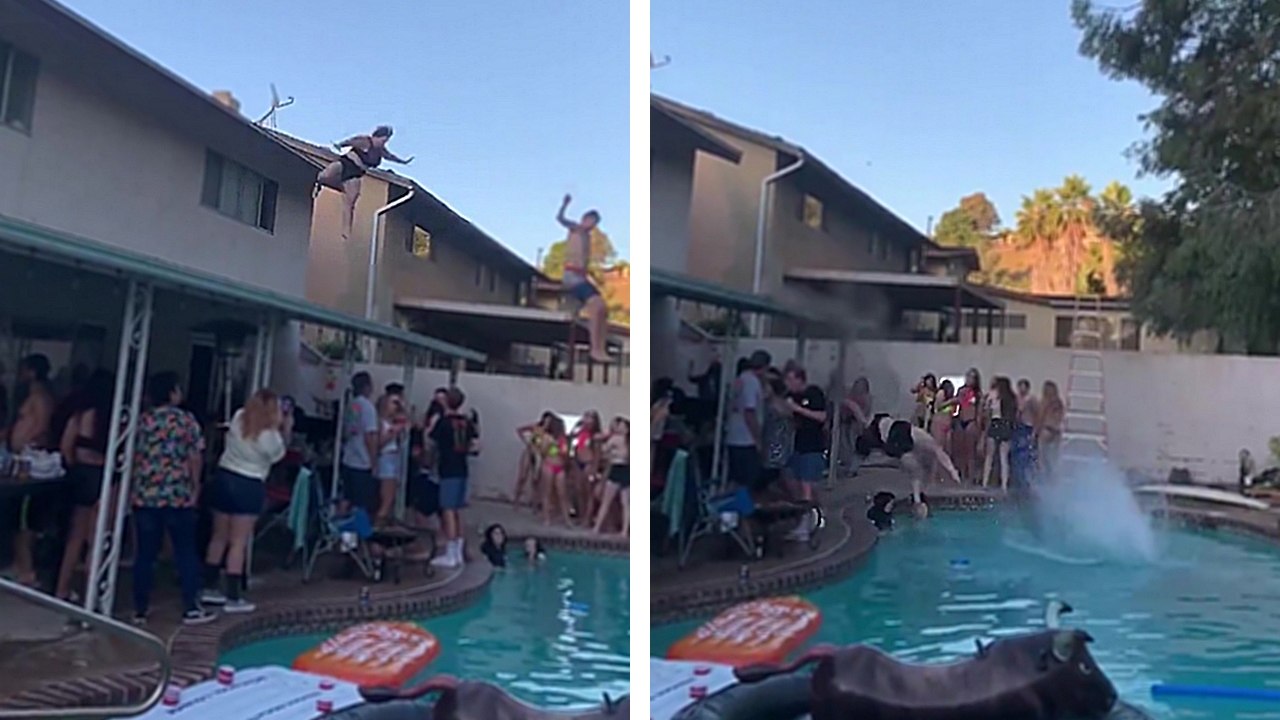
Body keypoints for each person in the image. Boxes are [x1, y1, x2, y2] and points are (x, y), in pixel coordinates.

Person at [129, 372, 214, 625]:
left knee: (145, 554)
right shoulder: (185, 421)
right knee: (185, 551)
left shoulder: (143, 421)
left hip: (146, 494)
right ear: (173, 392)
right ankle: (190, 606)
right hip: (178, 494)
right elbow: (195, 457)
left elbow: (134, 455)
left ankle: (140, 609)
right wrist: (194, 487)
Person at [202, 389, 290, 613]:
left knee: (218, 536)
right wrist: (285, 428)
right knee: (238, 542)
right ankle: (233, 595)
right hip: (249, 483)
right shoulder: (270, 436)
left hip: (225, 476)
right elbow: (278, 456)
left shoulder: (239, 417)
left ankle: (209, 586)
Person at [52, 370, 113, 603]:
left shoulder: (79, 416)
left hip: (80, 475)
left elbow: (66, 447)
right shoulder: (111, 418)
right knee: (97, 536)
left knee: (74, 537)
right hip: (101, 475)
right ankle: (91, 592)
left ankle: (62, 587)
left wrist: (74, 467)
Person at [5, 354, 55, 588]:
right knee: (16, 517)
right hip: (18, 458)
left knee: (24, 519)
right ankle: (18, 564)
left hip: (29, 462)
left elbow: (42, 427)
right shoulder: (33, 396)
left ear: (33, 371)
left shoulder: (40, 397)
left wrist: (29, 446)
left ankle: (26, 569)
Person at [316, 126, 413, 239]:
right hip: (345, 163)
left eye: (386, 141)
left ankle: (346, 231)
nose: (383, 143)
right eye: (383, 140)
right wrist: (340, 144)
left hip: (356, 173)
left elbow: (391, 157)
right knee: (326, 175)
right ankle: (319, 183)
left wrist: (403, 162)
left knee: (351, 201)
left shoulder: (380, 151)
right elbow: (351, 141)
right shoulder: (365, 141)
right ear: (376, 136)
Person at [855, 413, 961, 503]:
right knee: (918, 469)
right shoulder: (920, 438)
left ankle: (917, 499)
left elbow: (938, 454)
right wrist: (952, 471)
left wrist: (952, 471)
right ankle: (917, 499)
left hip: (894, 435)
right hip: (896, 434)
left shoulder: (916, 440)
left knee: (917, 470)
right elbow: (939, 453)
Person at [556, 194, 610, 364]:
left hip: (580, 276)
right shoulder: (576, 229)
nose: (592, 227)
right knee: (596, 305)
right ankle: (595, 349)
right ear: (585, 219)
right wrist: (564, 204)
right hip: (571, 277)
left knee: (603, 308)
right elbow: (560, 219)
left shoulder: (587, 237)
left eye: (595, 225)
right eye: (591, 222)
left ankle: (600, 347)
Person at [429, 387, 478, 568]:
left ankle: (451, 554)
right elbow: (475, 445)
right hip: (462, 468)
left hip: (447, 468)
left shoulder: (443, 422)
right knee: (457, 510)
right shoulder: (466, 422)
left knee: (448, 509)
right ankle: (458, 551)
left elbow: (432, 442)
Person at [784, 367, 827, 542]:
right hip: (798, 446)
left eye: (791, 380)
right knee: (793, 480)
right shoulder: (791, 396)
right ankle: (814, 514)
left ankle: (805, 525)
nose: (788, 384)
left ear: (800, 380)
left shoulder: (813, 393)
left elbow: (822, 417)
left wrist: (798, 409)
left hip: (812, 446)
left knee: (806, 485)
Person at [726, 350, 771, 492]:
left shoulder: (740, 379)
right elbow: (749, 412)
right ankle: (743, 511)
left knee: (738, 479)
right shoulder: (752, 382)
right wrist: (757, 439)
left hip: (734, 436)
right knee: (750, 480)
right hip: (746, 439)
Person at [340, 372, 380, 519]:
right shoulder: (368, 407)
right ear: (367, 387)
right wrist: (373, 460)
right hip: (362, 463)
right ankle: (357, 536)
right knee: (361, 503)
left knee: (346, 498)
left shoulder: (352, 405)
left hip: (349, 458)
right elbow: (370, 435)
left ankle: (339, 531)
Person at [374, 390, 409, 525]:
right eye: (393, 403)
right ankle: (377, 530)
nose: (396, 406)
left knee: (391, 498)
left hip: (395, 459)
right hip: (386, 459)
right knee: (387, 500)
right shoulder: (380, 422)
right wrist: (393, 432)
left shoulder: (393, 421)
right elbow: (379, 443)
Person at [593, 416, 629, 536]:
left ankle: (597, 527)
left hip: (617, 469)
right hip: (626, 470)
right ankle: (624, 530)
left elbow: (604, 449)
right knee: (625, 503)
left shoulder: (616, 439)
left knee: (606, 501)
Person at [982, 376, 1017, 492]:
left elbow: (987, 411)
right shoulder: (1011, 398)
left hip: (995, 423)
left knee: (989, 456)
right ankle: (1004, 485)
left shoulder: (993, 395)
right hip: (1006, 425)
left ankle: (985, 482)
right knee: (1004, 457)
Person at [539, 415, 572, 526]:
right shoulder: (546, 437)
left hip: (560, 466)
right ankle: (546, 518)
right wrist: (550, 445)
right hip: (549, 464)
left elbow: (565, 454)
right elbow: (543, 452)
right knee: (546, 492)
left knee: (562, 493)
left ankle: (566, 519)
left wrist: (560, 448)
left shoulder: (563, 439)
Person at [953, 369, 983, 483]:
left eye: (972, 377)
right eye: (968, 377)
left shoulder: (977, 394)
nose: (969, 379)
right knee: (960, 450)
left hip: (971, 421)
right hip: (960, 420)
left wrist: (978, 425)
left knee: (970, 451)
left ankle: (970, 476)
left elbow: (979, 411)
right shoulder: (961, 391)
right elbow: (957, 406)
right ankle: (961, 474)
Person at [841, 377, 873, 478]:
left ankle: (851, 469)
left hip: (857, 427)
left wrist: (863, 423)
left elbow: (863, 417)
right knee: (846, 444)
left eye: (861, 391)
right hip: (845, 423)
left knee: (856, 447)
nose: (858, 394)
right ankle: (847, 466)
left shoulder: (867, 400)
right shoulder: (848, 398)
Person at [930, 380, 957, 482]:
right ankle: (933, 476)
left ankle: (943, 475)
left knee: (947, 450)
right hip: (939, 423)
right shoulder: (941, 393)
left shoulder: (950, 398)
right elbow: (938, 407)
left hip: (947, 424)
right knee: (938, 450)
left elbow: (951, 412)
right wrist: (950, 402)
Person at [1038, 381, 1065, 479]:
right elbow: (1061, 417)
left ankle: (1045, 478)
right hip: (1057, 431)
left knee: (1042, 457)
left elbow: (1041, 417)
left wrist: (1035, 432)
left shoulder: (1045, 401)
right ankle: (1054, 479)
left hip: (1046, 429)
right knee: (1054, 458)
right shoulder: (1059, 402)